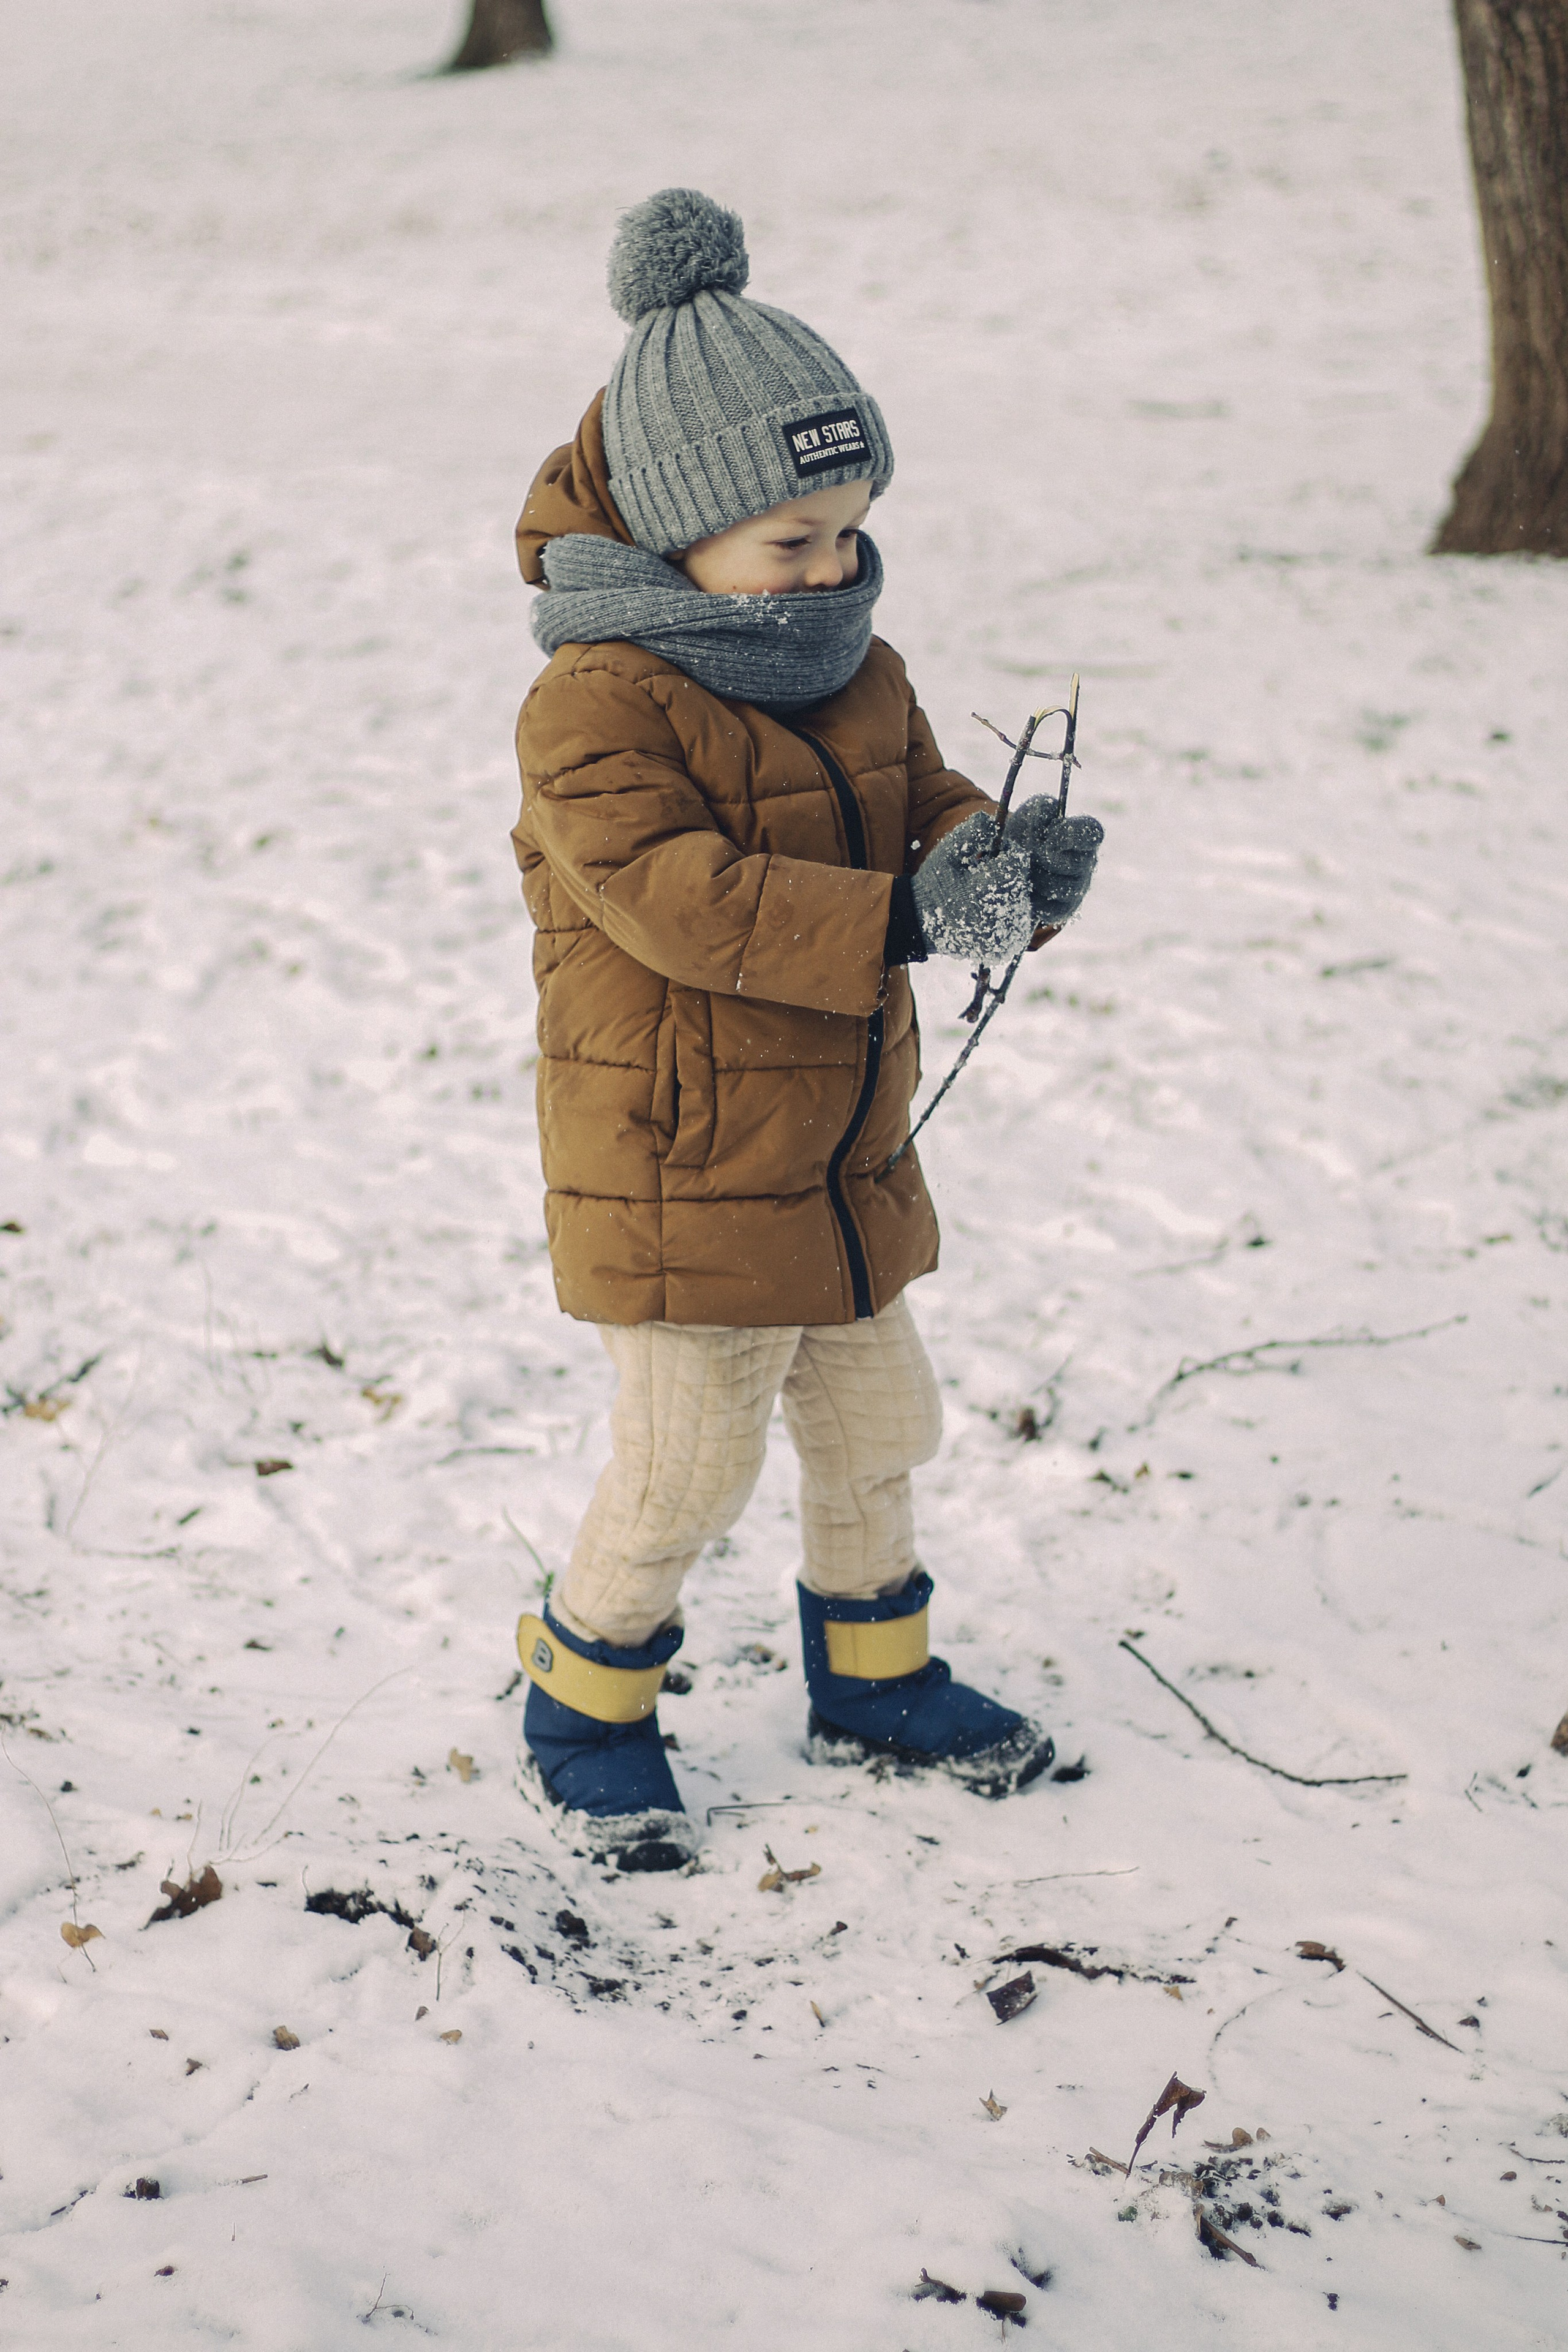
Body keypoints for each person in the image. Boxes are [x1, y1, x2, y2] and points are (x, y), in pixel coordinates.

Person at [509, 190, 1102, 1871]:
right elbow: (675, 895)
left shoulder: (854, 662)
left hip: (843, 1137)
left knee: (873, 1426)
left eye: (848, 529)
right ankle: (583, 1707)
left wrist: (1002, 864)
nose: (833, 567)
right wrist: (909, 923)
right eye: (794, 541)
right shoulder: (596, 704)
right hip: (684, 1155)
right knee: (688, 1463)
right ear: (686, 528)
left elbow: (923, 811)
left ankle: (876, 1680)